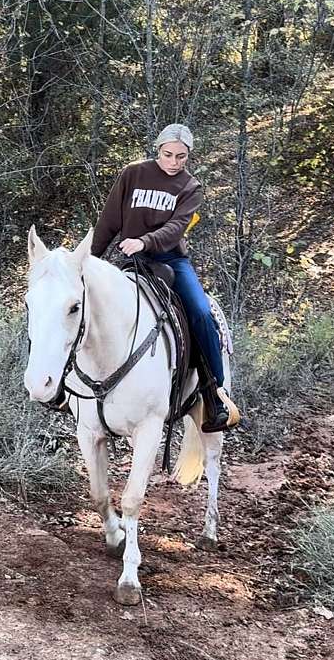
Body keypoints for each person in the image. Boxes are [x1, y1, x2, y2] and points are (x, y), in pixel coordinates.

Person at [91, 123, 238, 433]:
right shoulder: (133, 174)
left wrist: (144, 241)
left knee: (199, 312)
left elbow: (175, 229)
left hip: (170, 258)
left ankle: (216, 395)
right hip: (131, 258)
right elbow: (109, 220)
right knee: (90, 307)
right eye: (168, 155)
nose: (173, 162)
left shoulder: (190, 187)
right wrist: (89, 260)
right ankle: (76, 391)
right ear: (157, 150)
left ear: (188, 156)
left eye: (181, 157)